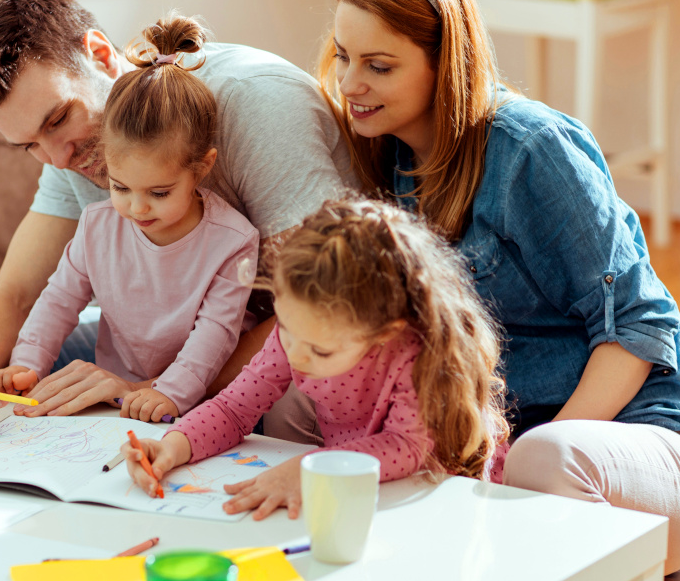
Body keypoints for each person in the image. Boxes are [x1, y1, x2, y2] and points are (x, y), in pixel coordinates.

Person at [317, 0, 680, 573]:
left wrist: (512, 474)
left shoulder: (531, 150)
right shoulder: (391, 157)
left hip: (642, 440)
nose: (349, 84)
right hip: (513, 454)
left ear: (444, 62)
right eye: (344, 56)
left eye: (379, 65)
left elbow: (641, 324)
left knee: (545, 458)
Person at [0, 0, 355, 435]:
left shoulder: (255, 101)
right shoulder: (73, 151)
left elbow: (326, 305)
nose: (56, 158)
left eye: (57, 121)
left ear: (101, 55)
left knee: (296, 394)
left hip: (291, 336)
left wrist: (143, 391)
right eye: (29, 144)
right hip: (169, 347)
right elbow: (14, 293)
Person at [124, 199, 510, 520]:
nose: (294, 353)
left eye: (321, 350)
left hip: (437, 501)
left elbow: (407, 446)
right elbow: (233, 408)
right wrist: (175, 444)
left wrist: (311, 469)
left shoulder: (416, 353)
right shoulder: (300, 331)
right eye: (286, 329)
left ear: (384, 333)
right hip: (354, 492)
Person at [0, 15, 258, 423]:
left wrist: (170, 392)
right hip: (116, 395)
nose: (137, 209)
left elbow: (216, 334)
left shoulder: (233, 240)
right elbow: (59, 300)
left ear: (202, 168)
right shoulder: (97, 225)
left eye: (159, 193)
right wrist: (27, 363)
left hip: (204, 395)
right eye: (120, 188)